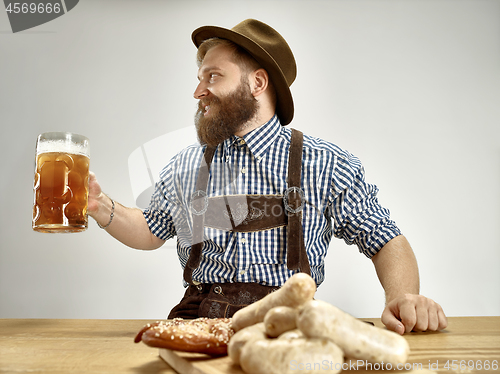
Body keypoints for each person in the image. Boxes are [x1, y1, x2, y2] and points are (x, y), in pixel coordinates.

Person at [88, 19, 447, 335]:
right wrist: (101, 206)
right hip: (198, 320)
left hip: (288, 324)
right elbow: (152, 230)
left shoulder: (325, 163)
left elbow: (384, 238)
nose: (198, 91)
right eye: (199, 78)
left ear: (257, 82)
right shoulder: (185, 166)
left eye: (213, 76)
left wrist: (404, 298)